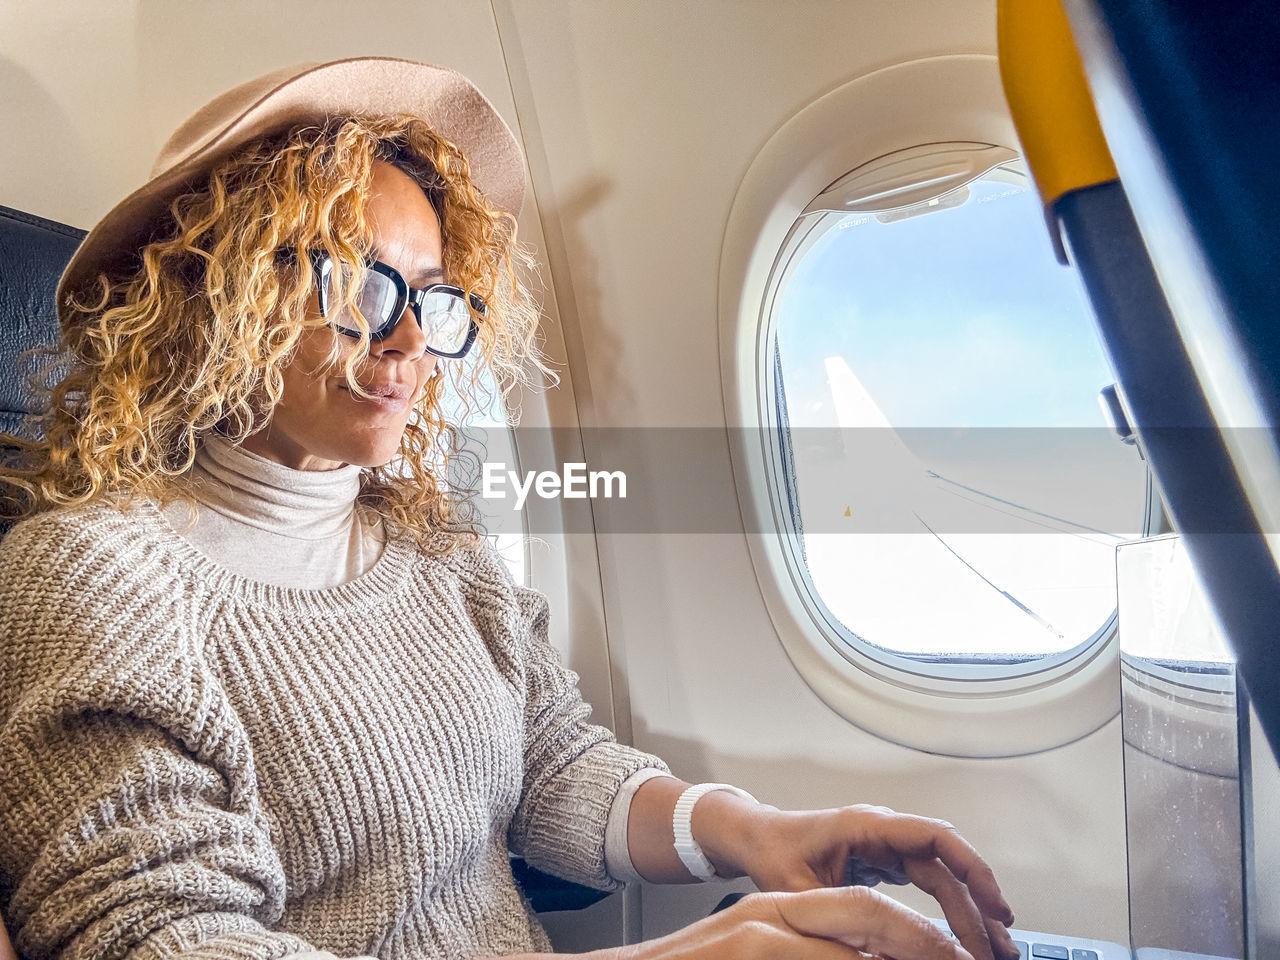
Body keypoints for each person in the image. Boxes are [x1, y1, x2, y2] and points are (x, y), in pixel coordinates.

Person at [0, 58, 1020, 960]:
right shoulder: (91, 578)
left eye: (431, 297)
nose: (406, 343)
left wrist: (750, 829)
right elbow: (164, 936)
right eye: (358, 287)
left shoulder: (430, 541)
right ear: (210, 292)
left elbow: (549, 764)